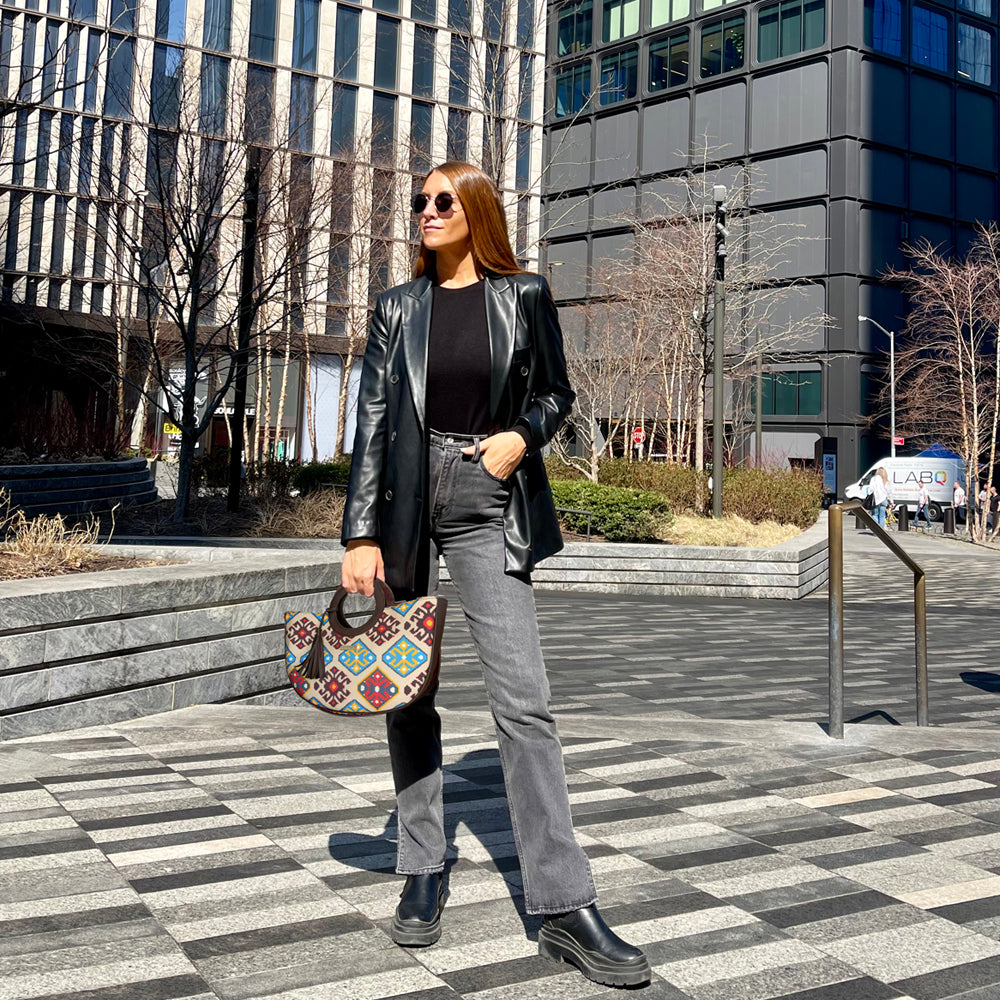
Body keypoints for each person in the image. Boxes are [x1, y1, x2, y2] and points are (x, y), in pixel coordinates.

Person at [339, 161, 650, 988]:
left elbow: (558, 391)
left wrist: (524, 435)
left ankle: (564, 905)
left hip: (486, 496)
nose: (426, 212)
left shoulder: (524, 295)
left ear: (475, 210)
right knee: (408, 692)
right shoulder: (396, 309)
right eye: (419, 202)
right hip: (407, 504)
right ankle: (422, 863)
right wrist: (360, 533)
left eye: (442, 201)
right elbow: (373, 423)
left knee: (524, 702)